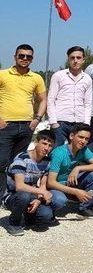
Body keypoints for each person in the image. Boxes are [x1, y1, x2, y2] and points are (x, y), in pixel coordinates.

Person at [0, 44, 47, 198]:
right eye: (21, 56)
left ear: (32, 59)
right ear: (15, 56)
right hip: (5, 126)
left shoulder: (36, 78)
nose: (25, 59)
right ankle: (1, 195)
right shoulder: (3, 74)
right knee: (2, 162)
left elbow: (43, 99)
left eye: (28, 56)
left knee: (18, 163)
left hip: (27, 126)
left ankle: (12, 192)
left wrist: (37, 119)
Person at [2, 130, 64, 236]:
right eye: (44, 143)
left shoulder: (47, 162)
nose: (46, 148)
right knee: (24, 196)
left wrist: (39, 200)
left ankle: (28, 217)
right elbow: (19, 186)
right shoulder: (22, 158)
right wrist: (41, 192)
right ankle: (13, 222)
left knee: (46, 214)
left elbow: (43, 186)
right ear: (36, 142)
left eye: (50, 145)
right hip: (13, 196)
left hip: (31, 195)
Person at [47, 123, 93, 219]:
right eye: (81, 137)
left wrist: (78, 168)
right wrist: (76, 192)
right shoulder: (59, 153)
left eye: (86, 139)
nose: (83, 141)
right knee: (60, 200)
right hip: (57, 186)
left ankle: (83, 208)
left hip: (70, 182)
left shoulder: (83, 150)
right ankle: (48, 208)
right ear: (71, 136)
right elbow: (50, 182)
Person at [47, 46, 93, 146]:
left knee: (76, 155)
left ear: (83, 60)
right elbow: (51, 100)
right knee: (57, 153)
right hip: (60, 123)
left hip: (79, 124)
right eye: (72, 58)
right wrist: (54, 123)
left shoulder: (87, 79)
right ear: (68, 59)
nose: (75, 61)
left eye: (78, 58)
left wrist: (86, 123)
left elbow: (88, 103)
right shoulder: (58, 76)